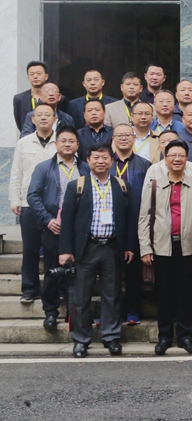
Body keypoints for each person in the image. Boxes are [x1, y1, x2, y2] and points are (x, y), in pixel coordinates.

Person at [58, 142, 130, 358]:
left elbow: (130, 219)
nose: (100, 161)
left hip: (112, 247)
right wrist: (66, 250)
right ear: (88, 160)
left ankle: (111, 336)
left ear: (111, 160)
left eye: (104, 157)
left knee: (112, 295)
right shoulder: (77, 186)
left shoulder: (122, 186)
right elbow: (67, 221)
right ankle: (81, 340)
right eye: (96, 158)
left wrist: (129, 247)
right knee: (80, 296)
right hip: (85, 248)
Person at [139, 140, 192, 356]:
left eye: (181, 155)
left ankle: (185, 336)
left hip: (188, 248)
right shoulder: (155, 185)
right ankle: (164, 337)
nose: (177, 159)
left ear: (187, 159)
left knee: (185, 294)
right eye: (172, 155)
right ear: (165, 159)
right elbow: (144, 218)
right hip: (161, 248)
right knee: (164, 294)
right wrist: (145, 247)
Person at [27, 126, 89, 329]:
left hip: (79, 229)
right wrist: (47, 219)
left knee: (79, 271)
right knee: (52, 271)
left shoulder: (85, 168)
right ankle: (51, 312)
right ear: (56, 144)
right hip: (54, 227)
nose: (67, 144)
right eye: (63, 141)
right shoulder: (44, 168)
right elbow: (33, 196)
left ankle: (75, 312)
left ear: (77, 145)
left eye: (71, 141)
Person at [10, 103, 58, 303]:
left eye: (48, 114)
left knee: (52, 250)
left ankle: (53, 289)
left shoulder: (61, 141)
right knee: (30, 248)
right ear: (33, 119)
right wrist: (15, 199)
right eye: (40, 115)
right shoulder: (24, 143)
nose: (44, 118)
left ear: (55, 119)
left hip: (54, 204)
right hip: (29, 203)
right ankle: (30, 288)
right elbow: (16, 172)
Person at [109, 123, 150, 325]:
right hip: (109, 223)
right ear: (113, 139)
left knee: (133, 271)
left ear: (134, 139)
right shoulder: (106, 162)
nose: (124, 138)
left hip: (136, 220)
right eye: (119, 135)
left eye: (128, 135)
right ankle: (111, 312)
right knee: (111, 272)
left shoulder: (144, 165)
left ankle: (133, 310)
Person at [13, 61, 50, 132]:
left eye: (38, 73)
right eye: (32, 74)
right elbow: (20, 123)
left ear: (46, 76)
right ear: (28, 78)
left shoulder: (55, 98)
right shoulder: (19, 99)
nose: (35, 76)